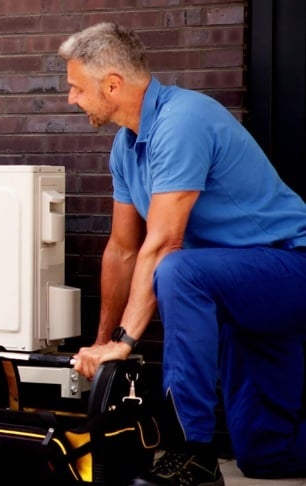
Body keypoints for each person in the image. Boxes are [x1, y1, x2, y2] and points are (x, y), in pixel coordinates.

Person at [59, 22, 306, 485]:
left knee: (179, 270)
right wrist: (102, 343)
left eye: (76, 87)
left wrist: (127, 341)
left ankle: (188, 450)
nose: (71, 98)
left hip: (290, 269)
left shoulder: (183, 120)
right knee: (265, 454)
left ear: (112, 84)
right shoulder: (126, 145)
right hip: (239, 289)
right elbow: (123, 249)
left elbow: (164, 243)